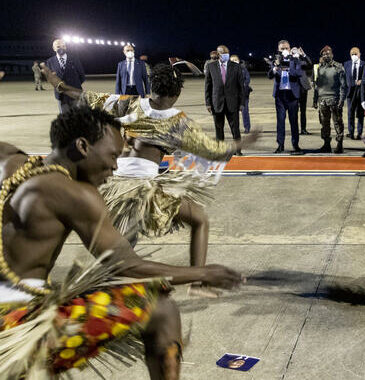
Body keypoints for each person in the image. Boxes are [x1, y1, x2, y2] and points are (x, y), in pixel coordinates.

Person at [0, 107, 244, 379]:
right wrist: (203, 272)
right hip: (18, 324)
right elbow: (126, 266)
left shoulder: (12, 163)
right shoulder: (75, 194)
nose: (115, 166)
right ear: (82, 146)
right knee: (160, 307)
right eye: (113, 155)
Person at [42, 62, 244, 297]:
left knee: (120, 244)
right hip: (139, 187)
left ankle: (88, 283)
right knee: (197, 219)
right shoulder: (177, 121)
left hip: (111, 184)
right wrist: (240, 144)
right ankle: (197, 283)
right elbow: (214, 150)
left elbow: (82, 95)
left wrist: (58, 82)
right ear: (177, 93)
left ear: (151, 86)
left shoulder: (128, 103)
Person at [205, 45, 246, 153]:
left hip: (233, 103)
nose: (226, 55)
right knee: (219, 130)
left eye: (227, 53)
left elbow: (241, 86)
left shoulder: (236, 67)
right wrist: (208, 103)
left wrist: (242, 103)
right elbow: (208, 86)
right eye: (224, 53)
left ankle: (238, 150)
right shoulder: (211, 66)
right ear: (218, 54)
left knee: (235, 129)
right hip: (217, 103)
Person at [268, 40, 304, 154]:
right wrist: (275, 68)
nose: (284, 50)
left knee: (294, 122)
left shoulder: (295, 59)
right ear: (278, 50)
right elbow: (269, 75)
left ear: (290, 49)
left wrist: (287, 68)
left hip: (292, 95)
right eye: (282, 49)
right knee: (280, 122)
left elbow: (299, 73)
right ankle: (280, 145)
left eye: (286, 48)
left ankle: (295, 145)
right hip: (280, 95)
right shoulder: (275, 61)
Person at [312, 46, 347, 153]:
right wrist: (315, 99)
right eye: (324, 54)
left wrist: (341, 100)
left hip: (334, 99)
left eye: (328, 53)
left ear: (332, 54)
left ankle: (339, 144)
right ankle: (326, 144)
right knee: (324, 123)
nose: (326, 56)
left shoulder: (338, 67)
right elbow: (317, 85)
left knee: (337, 122)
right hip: (322, 100)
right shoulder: (320, 68)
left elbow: (343, 85)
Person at [45, 39, 85, 113]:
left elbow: (82, 76)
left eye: (63, 46)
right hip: (61, 95)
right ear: (53, 48)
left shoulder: (74, 59)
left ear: (66, 47)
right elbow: (49, 78)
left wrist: (74, 85)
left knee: (78, 117)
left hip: (75, 93)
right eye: (58, 46)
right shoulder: (50, 62)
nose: (61, 48)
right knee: (65, 119)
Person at [343, 47, 365, 140]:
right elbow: (344, 78)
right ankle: (351, 132)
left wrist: (362, 80)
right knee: (350, 113)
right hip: (350, 92)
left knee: (360, 114)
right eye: (352, 54)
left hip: (360, 92)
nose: (354, 56)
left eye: (356, 54)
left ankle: (359, 133)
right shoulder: (346, 64)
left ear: (359, 54)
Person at [294, 47, 313, 135]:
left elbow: (310, 64)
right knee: (294, 111)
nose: (296, 53)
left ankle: (303, 129)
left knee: (303, 110)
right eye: (293, 52)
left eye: (296, 51)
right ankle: (295, 129)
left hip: (303, 88)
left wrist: (303, 54)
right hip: (294, 88)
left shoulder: (302, 62)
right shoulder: (290, 62)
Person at [232, 55, 252, 134]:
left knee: (245, 111)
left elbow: (248, 79)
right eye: (232, 60)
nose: (234, 61)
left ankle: (247, 127)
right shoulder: (228, 70)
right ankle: (235, 128)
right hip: (233, 95)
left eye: (235, 60)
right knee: (234, 113)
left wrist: (243, 85)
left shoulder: (243, 68)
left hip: (243, 94)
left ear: (238, 60)